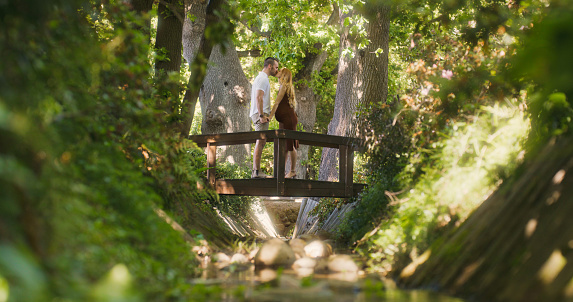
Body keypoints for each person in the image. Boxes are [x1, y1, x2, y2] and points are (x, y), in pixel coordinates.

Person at [250, 57, 279, 178]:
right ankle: (256, 171)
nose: (277, 70)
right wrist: (261, 115)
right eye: (276, 67)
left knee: (262, 141)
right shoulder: (262, 78)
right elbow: (259, 97)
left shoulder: (262, 78)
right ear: (270, 66)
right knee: (260, 140)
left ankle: (256, 171)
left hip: (259, 113)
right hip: (259, 114)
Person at [269, 67, 299, 179]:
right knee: (285, 146)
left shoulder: (284, 86)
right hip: (285, 119)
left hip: (288, 119)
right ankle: (280, 172)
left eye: (280, 71)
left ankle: (292, 171)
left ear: (284, 74)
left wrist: (270, 117)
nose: (278, 72)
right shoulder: (284, 86)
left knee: (291, 145)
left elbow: (276, 104)